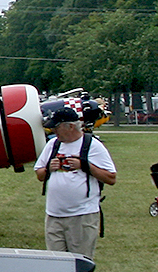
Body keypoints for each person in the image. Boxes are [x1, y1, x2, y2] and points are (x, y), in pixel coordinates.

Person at [34, 104, 116, 259]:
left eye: (56, 127)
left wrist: (84, 165)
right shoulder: (53, 144)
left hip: (82, 216)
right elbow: (39, 175)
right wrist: (48, 169)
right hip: (53, 216)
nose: (53, 131)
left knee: (79, 264)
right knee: (55, 263)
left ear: (70, 127)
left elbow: (111, 178)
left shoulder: (92, 145)